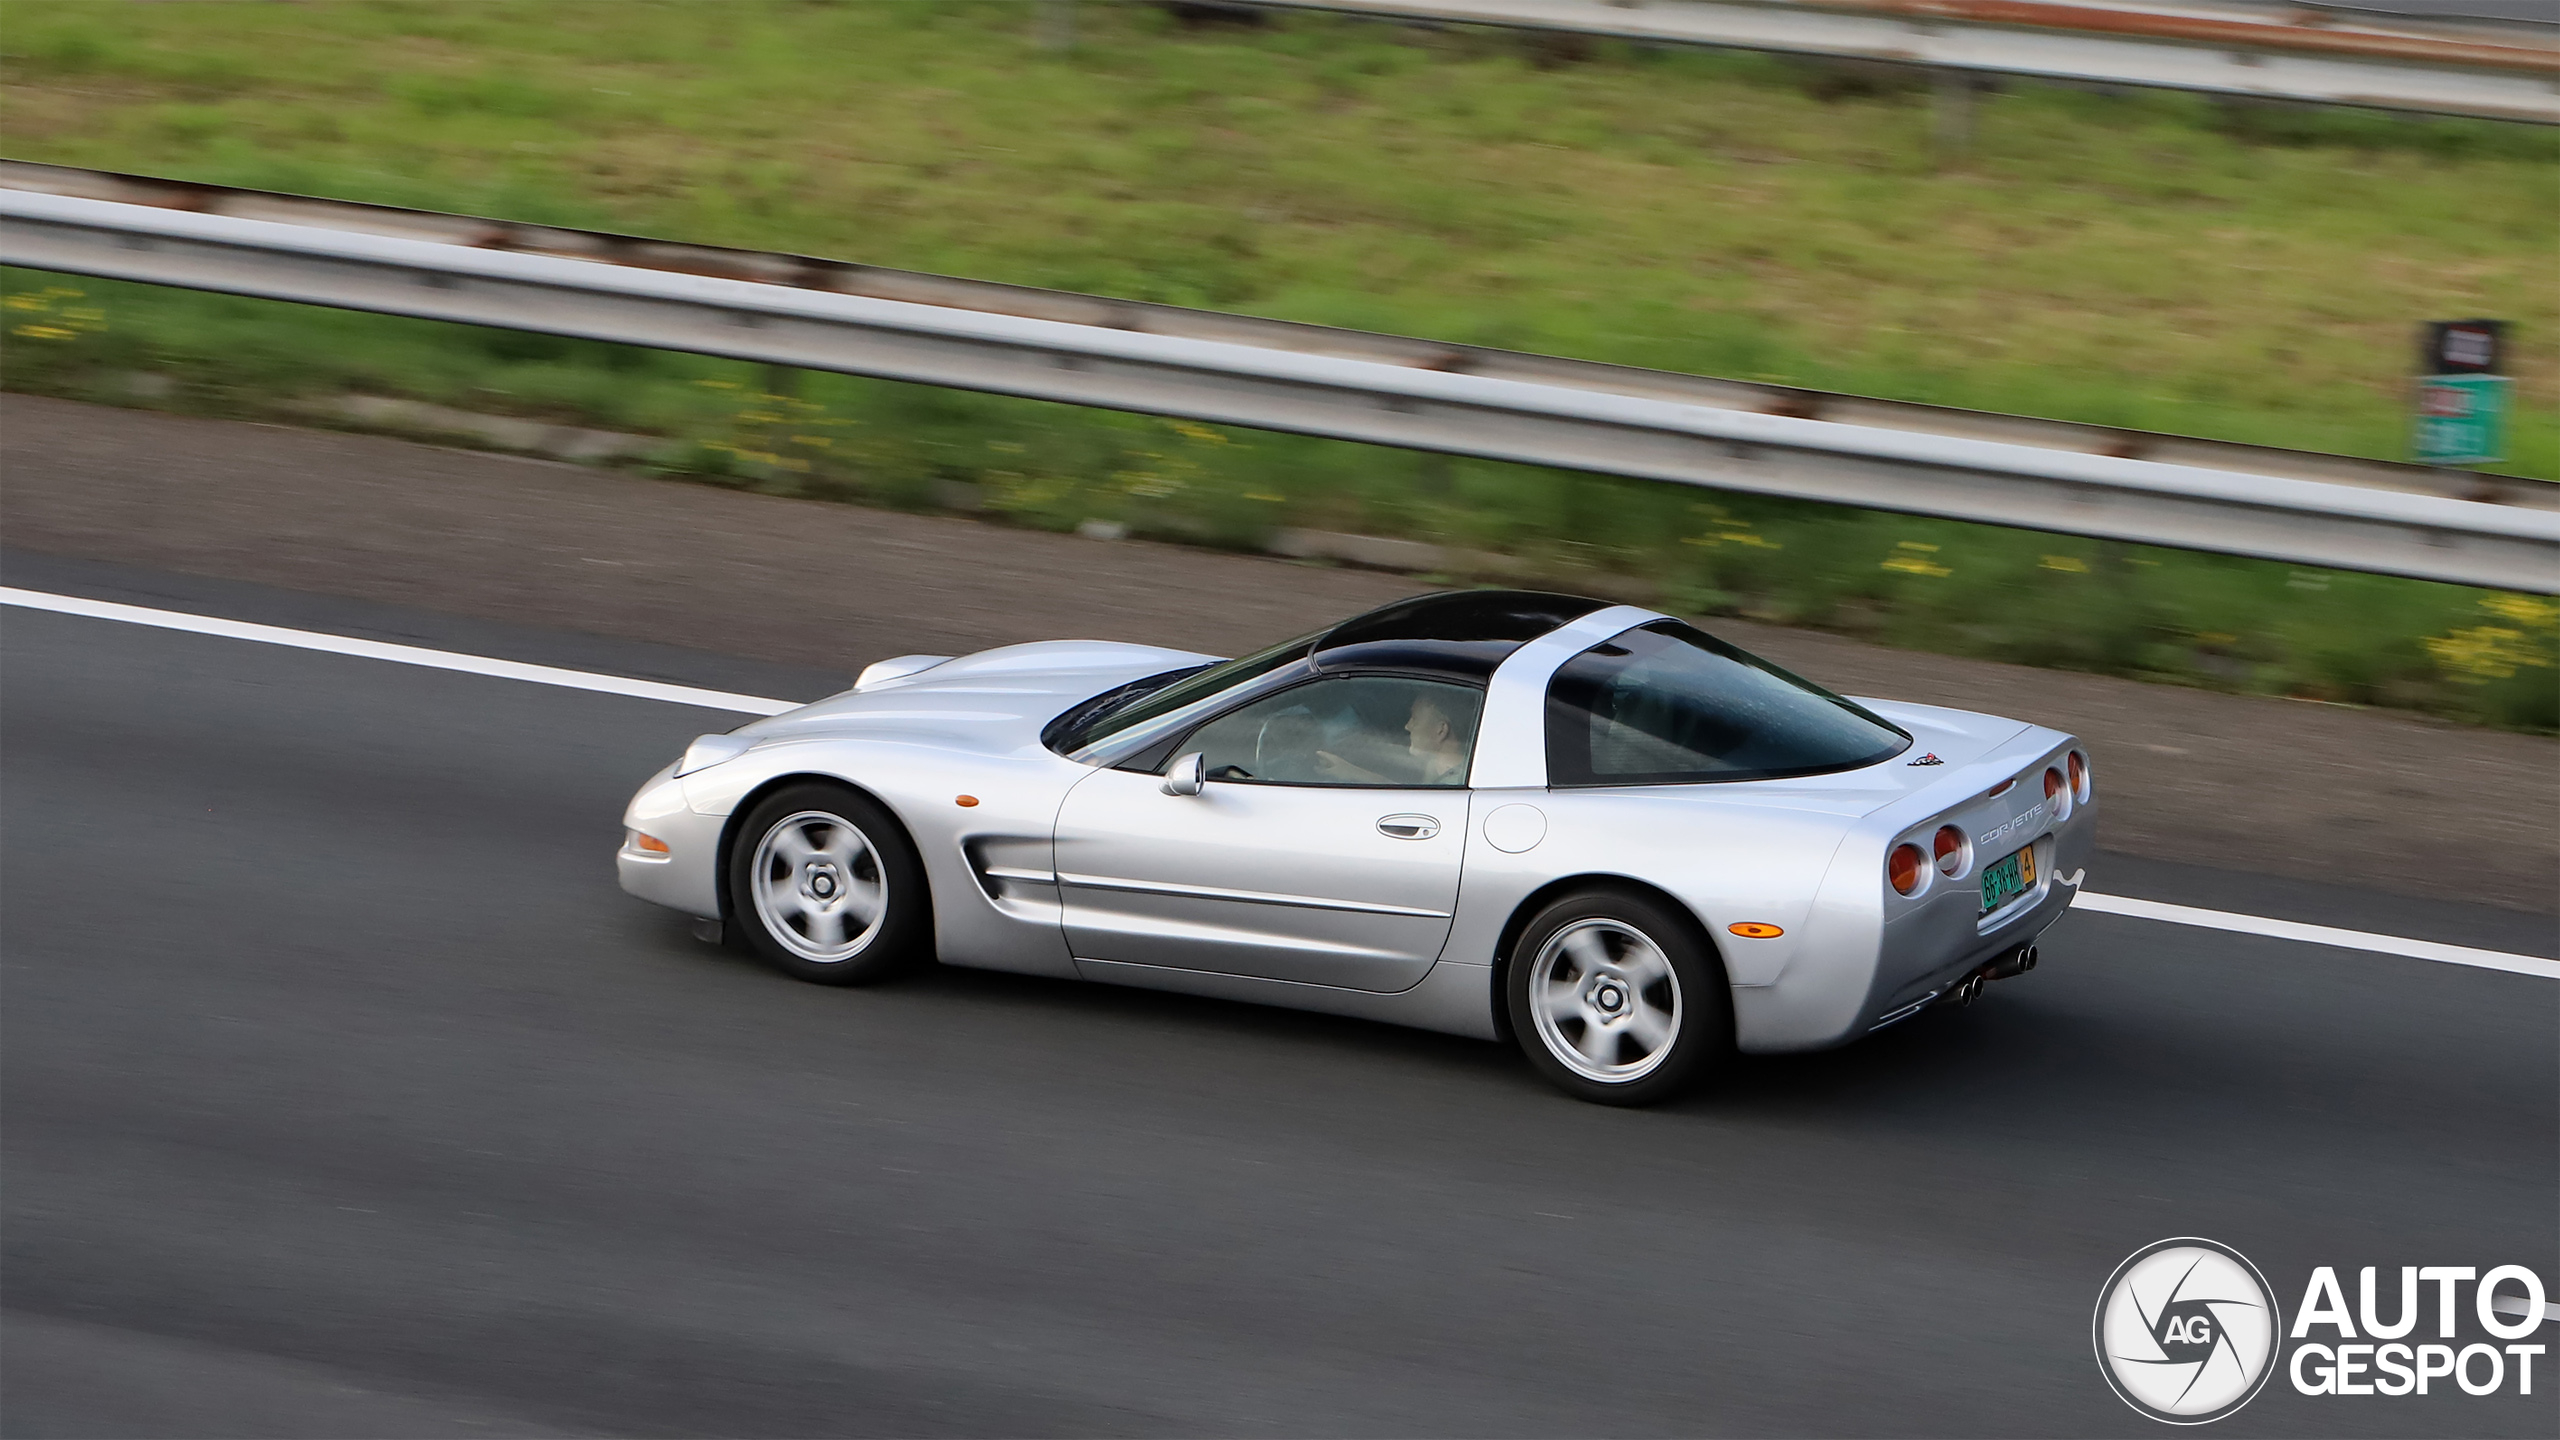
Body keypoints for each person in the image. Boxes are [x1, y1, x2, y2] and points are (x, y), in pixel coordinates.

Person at [1314, 692, 1470, 786]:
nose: (1407, 726)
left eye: (1415, 719)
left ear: (1441, 730)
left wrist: (1354, 773)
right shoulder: (1437, 764)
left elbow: (1416, 807)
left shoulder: (1455, 781)